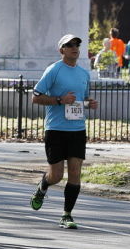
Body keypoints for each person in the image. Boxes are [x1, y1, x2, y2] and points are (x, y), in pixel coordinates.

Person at [30, 34, 98, 229]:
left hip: (77, 129)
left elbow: (80, 101)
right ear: (62, 50)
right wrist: (59, 100)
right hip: (56, 129)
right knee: (57, 175)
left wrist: (89, 103)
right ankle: (43, 185)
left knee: (75, 172)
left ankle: (67, 214)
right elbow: (35, 97)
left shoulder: (84, 73)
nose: (74, 48)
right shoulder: (54, 70)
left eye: (77, 44)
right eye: (69, 45)